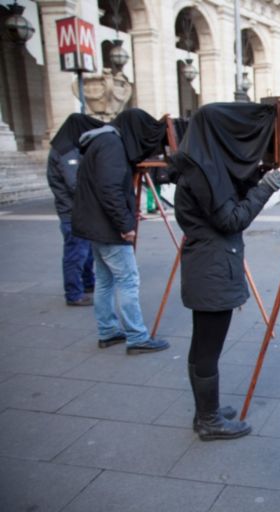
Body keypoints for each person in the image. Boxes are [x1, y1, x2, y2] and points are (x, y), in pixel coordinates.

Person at [173, 103, 280, 440]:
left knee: (203, 347)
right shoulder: (203, 172)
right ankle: (208, 421)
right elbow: (231, 220)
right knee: (207, 348)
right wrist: (267, 186)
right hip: (211, 270)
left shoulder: (199, 164)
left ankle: (205, 411)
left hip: (206, 266)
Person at [72, 108, 170, 353]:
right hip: (108, 227)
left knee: (105, 280)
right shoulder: (112, 145)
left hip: (95, 224)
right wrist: (126, 226)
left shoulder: (101, 141)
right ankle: (137, 337)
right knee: (128, 280)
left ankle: (107, 331)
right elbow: (110, 191)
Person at [47, 113, 104, 306]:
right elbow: (74, 184)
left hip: (78, 211)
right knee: (76, 253)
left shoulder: (67, 148)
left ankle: (87, 283)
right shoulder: (66, 151)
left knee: (85, 251)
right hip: (72, 212)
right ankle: (74, 293)